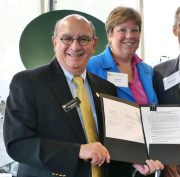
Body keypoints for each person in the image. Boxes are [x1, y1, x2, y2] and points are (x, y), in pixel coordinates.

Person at [3, 14, 131, 177]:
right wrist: (78, 151)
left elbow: (111, 145)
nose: (75, 46)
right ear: (55, 43)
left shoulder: (107, 88)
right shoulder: (28, 83)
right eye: (67, 38)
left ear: (94, 45)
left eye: (83, 39)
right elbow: (18, 144)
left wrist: (134, 161)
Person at [87, 6, 163, 176]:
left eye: (134, 30)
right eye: (122, 30)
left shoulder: (146, 70)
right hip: (109, 162)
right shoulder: (91, 66)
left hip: (146, 162)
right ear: (109, 34)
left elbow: (152, 110)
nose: (129, 36)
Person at [153, 6, 180, 177]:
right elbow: (154, 120)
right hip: (171, 170)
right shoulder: (158, 73)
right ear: (175, 30)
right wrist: (167, 158)